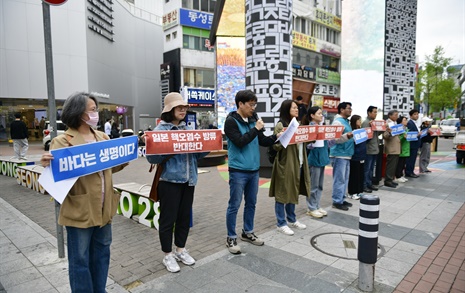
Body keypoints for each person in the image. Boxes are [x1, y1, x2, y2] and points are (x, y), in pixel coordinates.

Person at [39, 92, 128, 292]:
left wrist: (124, 156)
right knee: (80, 261)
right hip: (80, 212)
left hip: (105, 210)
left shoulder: (103, 137)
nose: (96, 113)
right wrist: (47, 167)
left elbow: (110, 168)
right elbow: (57, 175)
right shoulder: (62, 141)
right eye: (93, 110)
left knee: (102, 255)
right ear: (79, 112)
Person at [146, 92, 208, 273]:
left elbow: (197, 155)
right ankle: (167, 255)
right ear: (169, 110)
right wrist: (170, 146)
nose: (183, 110)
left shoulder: (188, 129)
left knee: (184, 218)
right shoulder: (160, 131)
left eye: (184, 107)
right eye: (178, 107)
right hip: (169, 181)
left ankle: (180, 250)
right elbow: (152, 159)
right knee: (168, 220)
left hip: (189, 181)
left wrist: (206, 144)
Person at [224, 90, 281, 254]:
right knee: (234, 205)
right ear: (240, 104)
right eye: (251, 104)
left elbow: (262, 140)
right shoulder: (231, 121)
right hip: (238, 170)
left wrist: (277, 136)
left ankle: (247, 232)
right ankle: (231, 237)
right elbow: (240, 142)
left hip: (253, 170)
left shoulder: (253, 118)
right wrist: (255, 129)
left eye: (255, 105)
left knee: (251, 203)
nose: (253, 108)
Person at [269, 100, 309, 236]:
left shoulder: (299, 124)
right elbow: (275, 146)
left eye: (297, 108)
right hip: (286, 163)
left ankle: (292, 219)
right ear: (287, 109)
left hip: (299, 162)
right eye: (294, 108)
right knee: (282, 193)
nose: (297, 110)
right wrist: (285, 137)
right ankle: (281, 223)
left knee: (293, 190)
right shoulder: (281, 125)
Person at [306, 106, 334, 218]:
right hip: (314, 159)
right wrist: (311, 144)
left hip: (322, 158)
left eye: (321, 113)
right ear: (312, 115)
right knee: (313, 185)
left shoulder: (322, 127)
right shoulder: (310, 128)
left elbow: (327, 144)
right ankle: (311, 207)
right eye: (318, 113)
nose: (321, 115)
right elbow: (307, 145)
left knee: (320, 185)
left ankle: (317, 205)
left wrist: (334, 138)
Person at [329, 102, 354, 211]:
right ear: (342, 110)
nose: (350, 110)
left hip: (346, 154)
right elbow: (335, 139)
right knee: (339, 179)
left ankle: (341, 198)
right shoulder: (338, 122)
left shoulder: (345, 122)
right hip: (339, 154)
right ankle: (337, 201)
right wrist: (348, 136)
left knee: (345, 179)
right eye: (348, 108)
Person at [361, 106, 381, 193]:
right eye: (374, 112)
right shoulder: (366, 122)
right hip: (369, 149)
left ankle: (369, 183)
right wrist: (371, 127)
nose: (376, 114)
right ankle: (364, 185)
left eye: (376, 112)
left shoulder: (373, 123)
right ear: (369, 113)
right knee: (367, 169)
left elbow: (376, 134)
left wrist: (382, 129)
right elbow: (366, 136)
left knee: (371, 168)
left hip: (375, 148)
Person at [348, 115, 366, 200]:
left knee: (361, 174)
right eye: (359, 121)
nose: (360, 122)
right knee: (354, 175)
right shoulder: (352, 131)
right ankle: (352, 192)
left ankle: (359, 191)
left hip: (362, 155)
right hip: (355, 156)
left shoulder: (361, 131)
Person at [383, 110, 400, 188]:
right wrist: (389, 132)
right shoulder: (387, 124)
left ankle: (391, 179)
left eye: (397, 115)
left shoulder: (395, 123)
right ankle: (388, 180)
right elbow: (385, 136)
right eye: (395, 115)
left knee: (394, 165)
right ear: (390, 115)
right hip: (391, 147)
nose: (397, 116)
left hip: (396, 147)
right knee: (390, 165)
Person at [395, 115, 410, 183]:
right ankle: (398, 176)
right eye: (404, 120)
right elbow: (397, 139)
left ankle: (401, 175)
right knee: (399, 163)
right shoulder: (399, 130)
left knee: (403, 163)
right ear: (400, 122)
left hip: (406, 148)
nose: (406, 121)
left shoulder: (406, 129)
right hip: (401, 148)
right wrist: (403, 137)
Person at [405, 109, 421, 178]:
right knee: (410, 159)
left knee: (413, 159)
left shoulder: (415, 123)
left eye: (417, 114)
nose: (416, 115)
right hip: (412, 144)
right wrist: (417, 134)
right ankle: (409, 172)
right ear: (411, 116)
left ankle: (411, 171)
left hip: (415, 144)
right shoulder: (410, 123)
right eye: (415, 114)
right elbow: (410, 134)